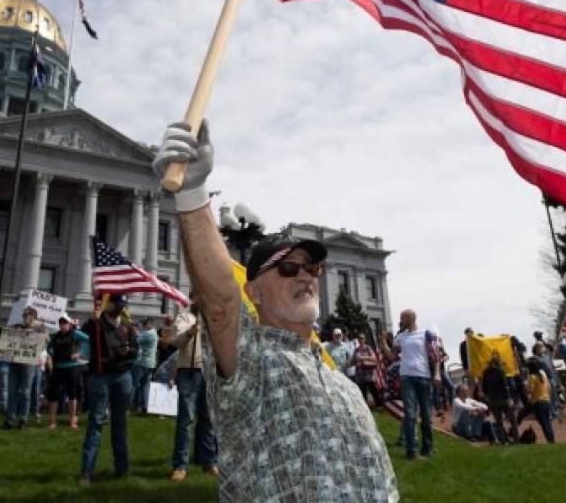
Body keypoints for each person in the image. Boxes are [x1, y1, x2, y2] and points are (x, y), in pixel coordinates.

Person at [153, 119, 398, 501]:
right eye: (287, 268)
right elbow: (219, 302)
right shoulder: (255, 362)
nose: (304, 276)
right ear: (254, 292)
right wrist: (192, 192)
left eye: (311, 268)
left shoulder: (343, 383)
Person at [79, 293, 138, 483]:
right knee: (96, 422)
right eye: (118, 304)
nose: (121, 307)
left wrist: (127, 352)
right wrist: (92, 320)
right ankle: (87, 472)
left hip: (122, 375)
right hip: (100, 376)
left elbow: (136, 351)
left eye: (123, 304)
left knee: (120, 423)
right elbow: (83, 335)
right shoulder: (97, 322)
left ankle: (122, 469)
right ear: (110, 304)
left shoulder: (127, 326)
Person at [161, 301, 218, 482]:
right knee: (186, 420)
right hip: (189, 371)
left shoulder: (213, 319)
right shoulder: (185, 317)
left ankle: (208, 460)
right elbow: (175, 342)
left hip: (208, 371)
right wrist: (189, 333)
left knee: (208, 419)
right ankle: (180, 465)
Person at [395, 308, 440, 460]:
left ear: (411, 318)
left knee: (426, 415)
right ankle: (411, 450)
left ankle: (428, 448)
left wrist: (437, 374)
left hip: (424, 377)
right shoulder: (400, 337)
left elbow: (435, 355)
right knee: (410, 414)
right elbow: (391, 355)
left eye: (403, 318)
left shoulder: (425, 334)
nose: (401, 321)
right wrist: (382, 344)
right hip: (407, 377)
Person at [3, 307, 44, 429]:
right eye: (24, 315)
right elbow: (7, 341)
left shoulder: (39, 329)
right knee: (12, 393)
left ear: (33, 317)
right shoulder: (17, 327)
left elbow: (44, 342)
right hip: (15, 364)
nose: (25, 317)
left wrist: (36, 330)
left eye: (27, 315)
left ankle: (23, 419)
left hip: (28, 365)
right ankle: (9, 420)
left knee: (26, 393)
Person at [47, 316, 83, 430]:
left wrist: (80, 353)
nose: (62, 325)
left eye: (65, 323)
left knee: (72, 394)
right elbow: (49, 347)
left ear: (69, 324)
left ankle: (72, 421)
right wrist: (52, 353)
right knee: (54, 394)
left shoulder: (75, 334)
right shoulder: (56, 336)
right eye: (61, 323)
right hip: (58, 368)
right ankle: (52, 422)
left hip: (71, 367)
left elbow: (90, 340)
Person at [481, 353, 518, 444]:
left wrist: (488, 396)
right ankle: (516, 440)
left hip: (492, 400)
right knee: (513, 420)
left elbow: (484, 388)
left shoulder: (485, 372)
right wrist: (509, 398)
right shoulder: (500, 371)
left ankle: (502, 442)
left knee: (499, 423)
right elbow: (504, 387)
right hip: (503, 399)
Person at [131, 317, 158, 414]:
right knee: (145, 386)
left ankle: (127, 406)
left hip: (141, 363)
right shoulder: (153, 333)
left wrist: (133, 327)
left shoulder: (149, 333)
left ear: (150, 323)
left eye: (145, 324)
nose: (143, 326)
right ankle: (144, 408)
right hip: (150, 364)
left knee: (133, 384)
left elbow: (137, 339)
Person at [525, 358, 555, 443]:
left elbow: (530, 390)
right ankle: (552, 439)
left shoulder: (532, 377)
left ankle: (549, 440)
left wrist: (526, 385)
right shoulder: (543, 375)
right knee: (548, 423)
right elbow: (549, 388)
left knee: (544, 424)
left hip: (538, 402)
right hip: (547, 400)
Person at [352, 333, 383, 407]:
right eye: (360, 338)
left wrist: (362, 358)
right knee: (363, 392)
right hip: (360, 375)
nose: (361, 340)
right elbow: (354, 360)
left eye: (362, 338)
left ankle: (379, 405)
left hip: (369, 374)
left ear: (364, 339)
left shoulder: (368, 348)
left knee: (374, 390)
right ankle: (365, 406)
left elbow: (373, 357)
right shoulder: (356, 350)